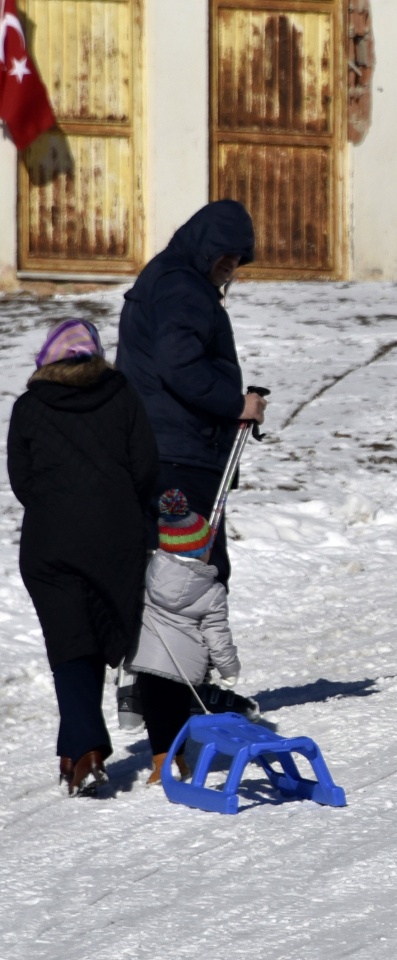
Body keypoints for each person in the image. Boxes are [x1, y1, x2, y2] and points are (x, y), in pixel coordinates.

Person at [6, 320, 158, 797]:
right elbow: (146, 466)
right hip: (116, 537)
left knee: (71, 640)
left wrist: (58, 505)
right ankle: (76, 750)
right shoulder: (122, 394)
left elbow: (22, 480)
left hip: (51, 541)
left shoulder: (30, 406)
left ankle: (84, 749)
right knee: (91, 635)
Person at [116, 199, 268, 588]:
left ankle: (163, 649)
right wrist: (238, 404)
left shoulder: (168, 278)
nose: (230, 265)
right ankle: (192, 651)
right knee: (196, 573)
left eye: (237, 257)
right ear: (203, 247)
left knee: (168, 567)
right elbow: (179, 363)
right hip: (179, 458)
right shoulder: (182, 286)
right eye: (224, 255)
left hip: (162, 450)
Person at [126, 489, 242, 786]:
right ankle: (178, 758)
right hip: (184, 668)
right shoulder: (212, 591)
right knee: (177, 712)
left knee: (155, 713)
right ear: (201, 549)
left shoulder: (148, 570)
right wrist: (229, 669)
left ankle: (161, 762)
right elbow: (217, 634)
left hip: (148, 659)